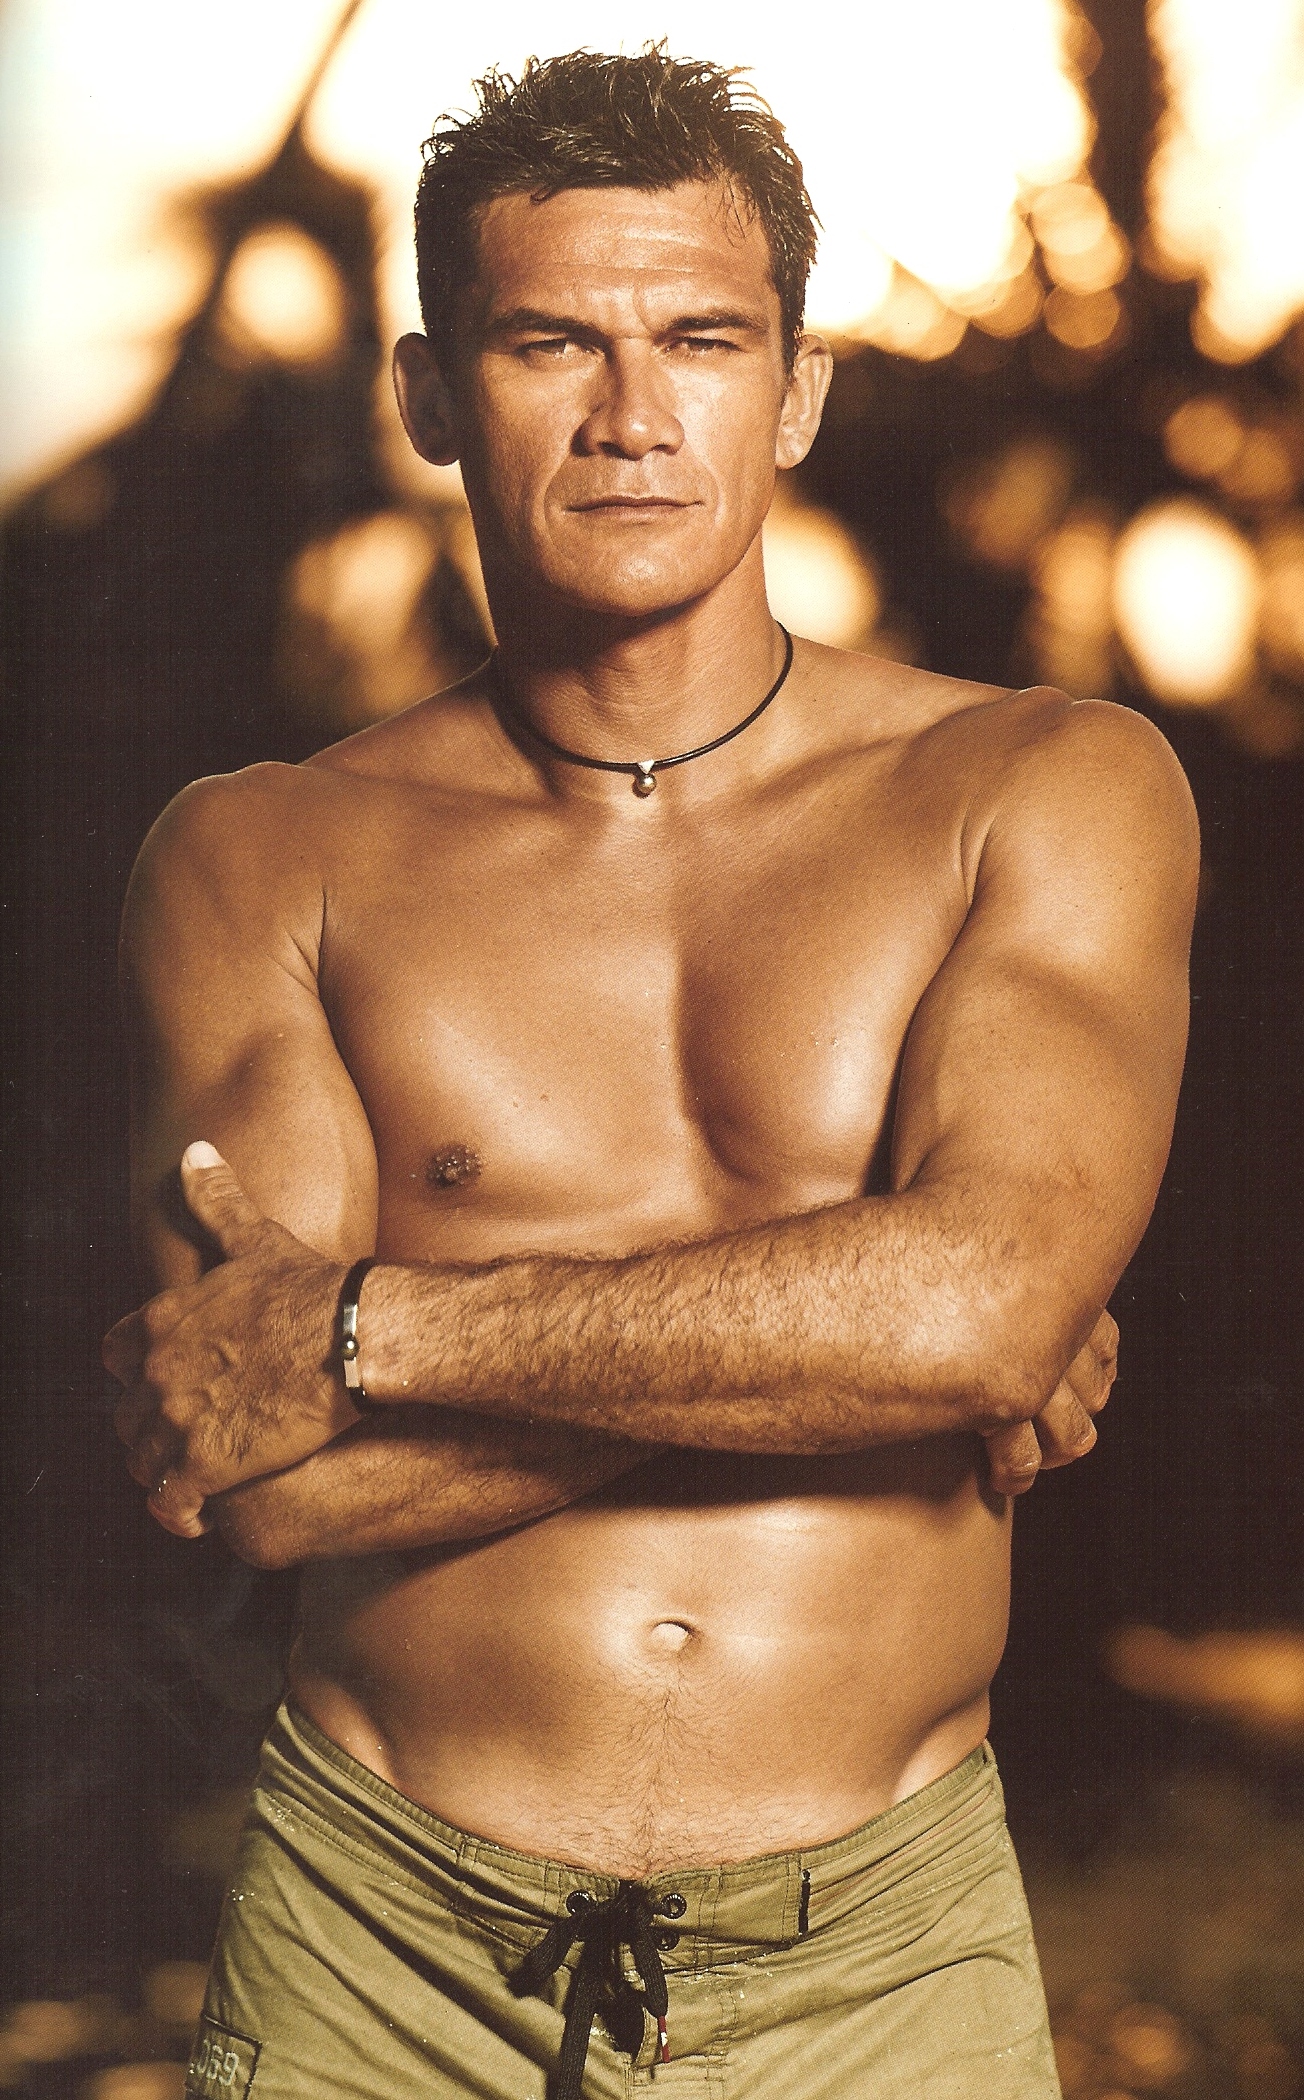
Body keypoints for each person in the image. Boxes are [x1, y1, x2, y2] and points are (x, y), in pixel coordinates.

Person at [103, 48, 1197, 2100]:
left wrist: (368, 1329)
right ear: (432, 395)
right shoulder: (262, 854)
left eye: (701, 338)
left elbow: (983, 1309)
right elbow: (260, 1479)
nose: (630, 416)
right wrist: (873, 1345)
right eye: (550, 344)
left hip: (880, 1958)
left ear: (795, 393)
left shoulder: (1038, 788)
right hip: (376, 1951)